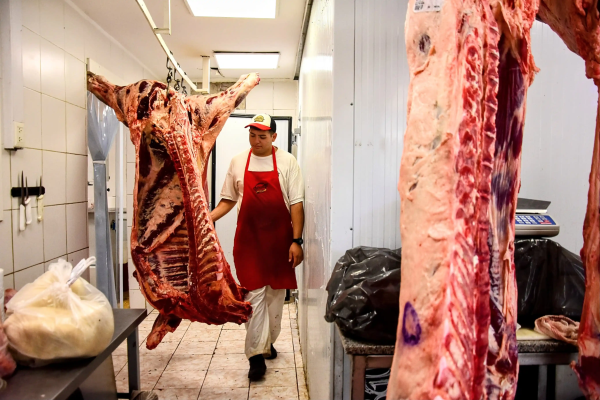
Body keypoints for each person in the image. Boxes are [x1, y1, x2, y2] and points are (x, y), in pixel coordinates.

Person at [210, 113, 305, 380]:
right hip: (249, 242)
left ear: (274, 136)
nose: (256, 140)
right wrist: (207, 219)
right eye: (252, 135)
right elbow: (228, 200)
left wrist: (296, 241)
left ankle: (267, 341)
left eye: (262, 136)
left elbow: (296, 205)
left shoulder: (288, 162)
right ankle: (255, 356)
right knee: (253, 296)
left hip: (279, 242)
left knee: (275, 299)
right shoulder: (239, 161)